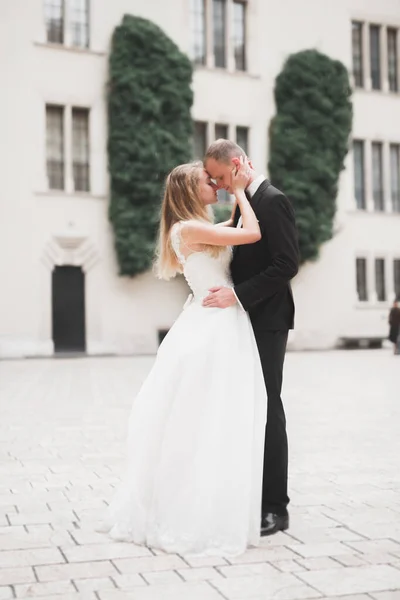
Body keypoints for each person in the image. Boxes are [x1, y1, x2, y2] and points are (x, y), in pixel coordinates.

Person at [100, 158, 269, 557]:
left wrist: (236, 193)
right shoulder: (187, 228)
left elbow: (231, 231)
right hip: (212, 329)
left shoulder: (198, 228)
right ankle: (191, 509)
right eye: (208, 181)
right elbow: (253, 233)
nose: (215, 184)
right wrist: (242, 190)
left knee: (218, 417)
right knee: (205, 418)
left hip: (220, 322)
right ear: (190, 191)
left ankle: (212, 499)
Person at [204, 139, 299, 537]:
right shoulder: (242, 201)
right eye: (215, 180)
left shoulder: (273, 200)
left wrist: (237, 295)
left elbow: (286, 263)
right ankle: (249, 495)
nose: (221, 185)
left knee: (267, 407)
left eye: (222, 177)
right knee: (246, 407)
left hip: (267, 319)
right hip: (242, 320)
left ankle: (276, 508)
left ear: (239, 164)